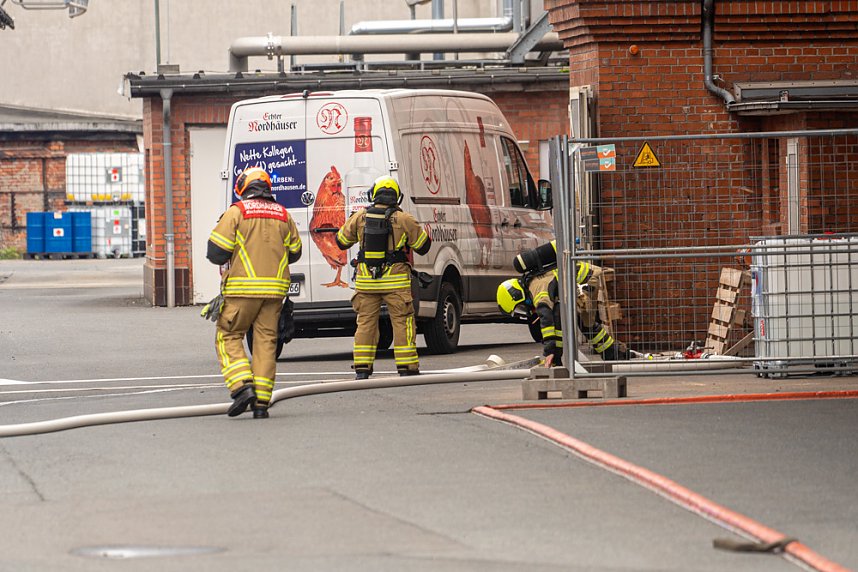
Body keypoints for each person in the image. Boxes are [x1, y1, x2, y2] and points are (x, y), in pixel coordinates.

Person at [206, 166, 302, 419]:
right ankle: (261, 403)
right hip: (274, 294)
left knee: (228, 335)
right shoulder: (283, 214)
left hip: (242, 291)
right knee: (266, 343)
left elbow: (216, 252)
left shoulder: (237, 212)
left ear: (243, 188)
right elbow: (295, 252)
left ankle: (241, 387)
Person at [335, 175, 431, 379]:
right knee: (402, 322)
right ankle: (406, 367)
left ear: (373, 194)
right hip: (396, 283)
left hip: (366, 282)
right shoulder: (404, 218)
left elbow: (341, 240)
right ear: (397, 197)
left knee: (365, 323)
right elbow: (424, 246)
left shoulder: (360, 217)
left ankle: (362, 368)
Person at [497, 240, 629, 366]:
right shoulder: (533, 283)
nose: (526, 311)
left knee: (570, 317)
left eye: (520, 308)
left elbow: (546, 319)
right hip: (585, 279)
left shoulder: (536, 289)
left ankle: (609, 353)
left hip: (588, 279)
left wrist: (549, 351)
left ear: (517, 295)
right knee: (584, 323)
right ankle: (613, 352)